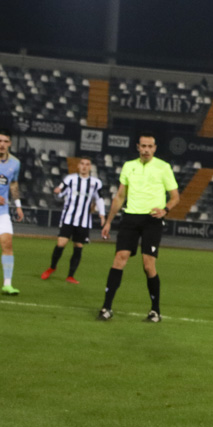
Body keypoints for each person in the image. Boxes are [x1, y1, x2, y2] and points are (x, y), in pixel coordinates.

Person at [97, 132, 179, 322]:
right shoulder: (129, 166)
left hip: (152, 220)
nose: (146, 150)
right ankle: (106, 307)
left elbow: (175, 197)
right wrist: (108, 221)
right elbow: (119, 196)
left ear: (155, 148)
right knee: (119, 258)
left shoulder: (163, 167)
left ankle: (155, 311)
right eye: (143, 146)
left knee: (148, 265)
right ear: (138, 147)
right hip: (130, 218)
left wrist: (165, 209)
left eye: (150, 146)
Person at [41, 157, 106, 284]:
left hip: (84, 221)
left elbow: (99, 199)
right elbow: (61, 192)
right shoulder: (70, 179)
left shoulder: (95, 182)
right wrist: (57, 191)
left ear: (90, 167)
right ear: (78, 166)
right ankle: (52, 267)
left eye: (87, 164)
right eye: (82, 164)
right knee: (61, 244)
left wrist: (102, 214)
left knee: (78, 247)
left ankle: (70, 275)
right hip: (68, 218)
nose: (84, 166)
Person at [0, 129, 24, 295]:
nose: (2, 144)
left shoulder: (15, 163)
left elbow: (14, 184)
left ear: (10, 144)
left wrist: (18, 205)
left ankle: (7, 284)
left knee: (7, 243)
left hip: (3, 211)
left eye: (5, 141)